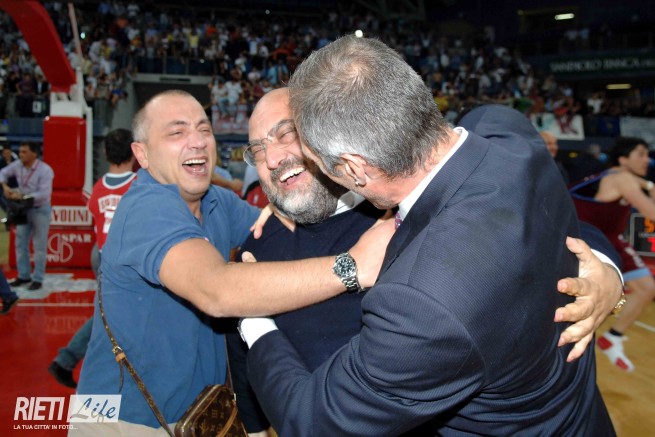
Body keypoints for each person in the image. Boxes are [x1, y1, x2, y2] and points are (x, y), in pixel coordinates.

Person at [238, 36, 620, 436]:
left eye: (319, 162)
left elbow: (310, 420)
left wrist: (253, 318)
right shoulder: (506, 130)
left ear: (354, 169)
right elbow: (552, 217)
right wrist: (609, 271)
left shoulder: (422, 304)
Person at [75, 89, 392, 434]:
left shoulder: (215, 201)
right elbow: (218, 290)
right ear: (142, 154)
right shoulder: (146, 208)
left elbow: (283, 235)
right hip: (124, 418)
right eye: (177, 132)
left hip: (196, 412)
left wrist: (282, 200)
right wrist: (352, 266)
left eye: (204, 129)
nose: (198, 141)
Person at [48, 128, 137, 389]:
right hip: (125, 260)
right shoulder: (139, 184)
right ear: (135, 152)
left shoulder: (98, 188)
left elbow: (95, 220)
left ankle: (70, 361)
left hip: (101, 254)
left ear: (106, 153)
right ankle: (68, 360)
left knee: (111, 314)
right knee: (109, 316)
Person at [570, 136, 655, 372]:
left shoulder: (620, 178)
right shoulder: (621, 178)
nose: (647, 160)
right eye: (640, 154)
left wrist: (648, 185)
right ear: (623, 159)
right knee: (589, 298)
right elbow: (652, 213)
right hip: (589, 241)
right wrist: (650, 187)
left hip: (609, 239)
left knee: (646, 288)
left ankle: (612, 338)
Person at [0, 142, 54, 290]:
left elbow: (44, 194)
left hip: (40, 209)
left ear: (34, 154)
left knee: (39, 245)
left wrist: (22, 196)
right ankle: (23, 275)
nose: (21, 155)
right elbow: (2, 173)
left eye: (24, 152)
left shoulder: (45, 170)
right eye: (20, 151)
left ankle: (38, 278)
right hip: (23, 209)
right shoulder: (18, 165)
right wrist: (4, 186)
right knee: (20, 243)